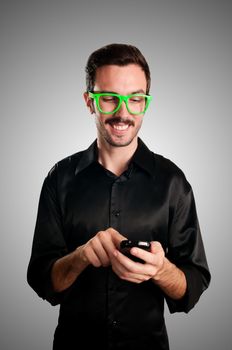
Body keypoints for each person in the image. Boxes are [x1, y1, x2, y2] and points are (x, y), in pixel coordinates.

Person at [27, 43, 211, 350]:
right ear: (90, 102)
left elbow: (192, 285)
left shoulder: (173, 182)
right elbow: (43, 280)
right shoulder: (59, 178)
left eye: (135, 99)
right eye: (110, 98)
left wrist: (160, 269)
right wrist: (81, 256)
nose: (123, 112)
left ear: (145, 103)